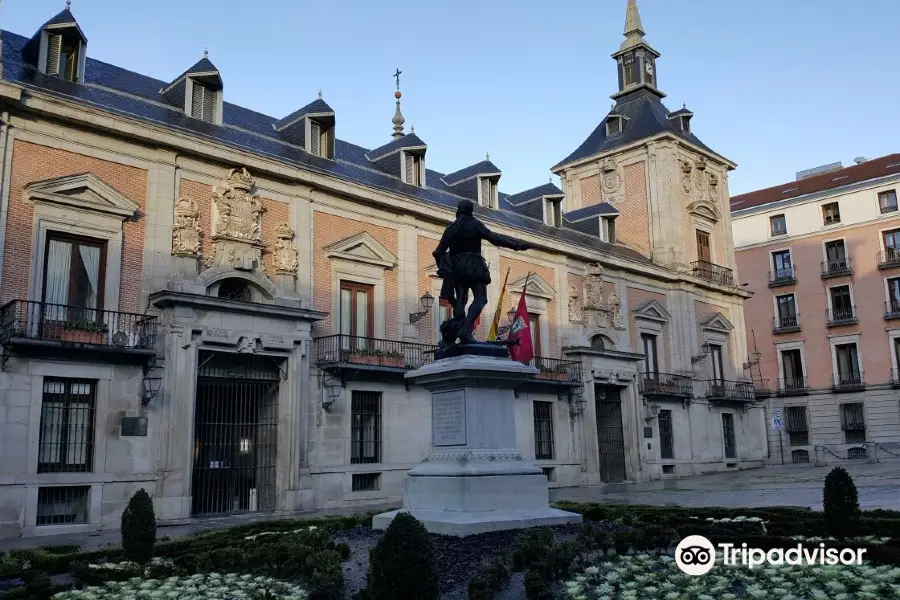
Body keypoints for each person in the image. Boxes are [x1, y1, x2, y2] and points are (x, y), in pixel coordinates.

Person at [433, 200, 530, 345]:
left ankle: (461, 327)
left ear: (458, 211)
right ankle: (465, 329)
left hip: (457, 268)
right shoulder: (474, 224)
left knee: (461, 299)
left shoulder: (450, 228)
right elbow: (495, 239)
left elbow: (438, 252)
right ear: (470, 211)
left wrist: (444, 269)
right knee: (481, 297)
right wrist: (516, 245)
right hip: (474, 265)